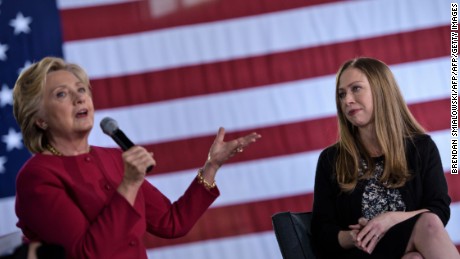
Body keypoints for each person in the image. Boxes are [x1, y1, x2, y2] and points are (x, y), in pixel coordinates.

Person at [12, 57, 261, 259]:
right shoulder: (37, 176)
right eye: (61, 94)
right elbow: (87, 254)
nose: (80, 97)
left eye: (81, 89)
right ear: (40, 119)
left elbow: (171, 222)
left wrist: (211, 167)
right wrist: (129, 184)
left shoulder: (114, 158)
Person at [311, 57, 460, 259]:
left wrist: (390, 220)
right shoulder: (331, 159)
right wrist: (355, 236)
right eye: (341, 94)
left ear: (381, 90)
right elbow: (321, 233)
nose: (347, 100)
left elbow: (439, 209)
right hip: (361, 252)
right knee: (428, 224)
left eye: (356, 89)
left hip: (407, 251)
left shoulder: (421, 148)